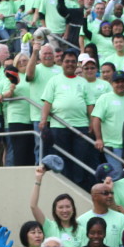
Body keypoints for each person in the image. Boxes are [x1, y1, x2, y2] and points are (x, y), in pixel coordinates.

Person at [39, 50, 96, 187]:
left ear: (77, 64)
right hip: (59, 126)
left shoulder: (83, 82)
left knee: (79, 160)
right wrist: (43, 120)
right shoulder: (54, 80)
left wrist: (92, 123)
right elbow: (48, 102)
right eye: (67, 61)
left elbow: (90, 104)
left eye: (72, 61)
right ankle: (64, 187)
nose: (70, 64)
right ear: (61, 63)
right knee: (61, 159)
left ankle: (78, 187)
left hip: (81, 126)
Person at [91, 72, 124, 178]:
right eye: (117, 82)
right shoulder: (104, 98)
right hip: (112, 145)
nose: (120, 84)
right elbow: (96, 119)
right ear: (111, 83)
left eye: (123, 81)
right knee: (117, 175)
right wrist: (99, 139)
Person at [30, 166, 84, 246]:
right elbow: (33, 206)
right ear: (55, 210)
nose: (65, 210)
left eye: (68, 206)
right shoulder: (49, 226)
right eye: (61, 207)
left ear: (73, 209)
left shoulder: (81, 230)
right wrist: (38, 179)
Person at [77, 182, 124, 247]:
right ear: (94, 196)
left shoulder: (122, 219)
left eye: (112, 193)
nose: (110, 196)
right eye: (105, 193)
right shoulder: (80, 220)